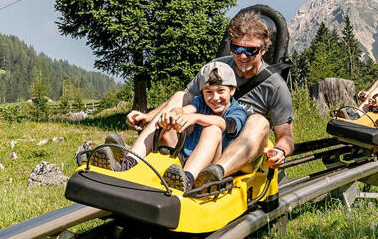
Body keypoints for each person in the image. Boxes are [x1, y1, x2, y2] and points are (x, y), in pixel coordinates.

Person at [104, 10, 294, 189]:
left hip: (241, 154)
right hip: (198, 146)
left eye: (250, 50)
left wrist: (280, 151)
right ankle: (128, 161)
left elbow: (285, 137)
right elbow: (185, 100)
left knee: (258, 121)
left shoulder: (275, 86)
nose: (242, 55)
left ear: (263, 50)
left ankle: (213, 174)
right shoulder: (215, 68)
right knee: (180, 96)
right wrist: (150, 116)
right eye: (237, 48)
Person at [155, 61, 248, 191]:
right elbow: (186, 110)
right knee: (173, 121)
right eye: (209, 92)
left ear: (232, 90)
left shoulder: (238, 111)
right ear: (202, 92)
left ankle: (187, 179)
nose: (215, 98)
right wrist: (175, 113)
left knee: (213, 129)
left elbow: (226, 124)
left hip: (210, 167)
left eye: (221, 91)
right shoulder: (200, 102)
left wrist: (196, 117)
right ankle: (153, 162)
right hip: (184, 159)